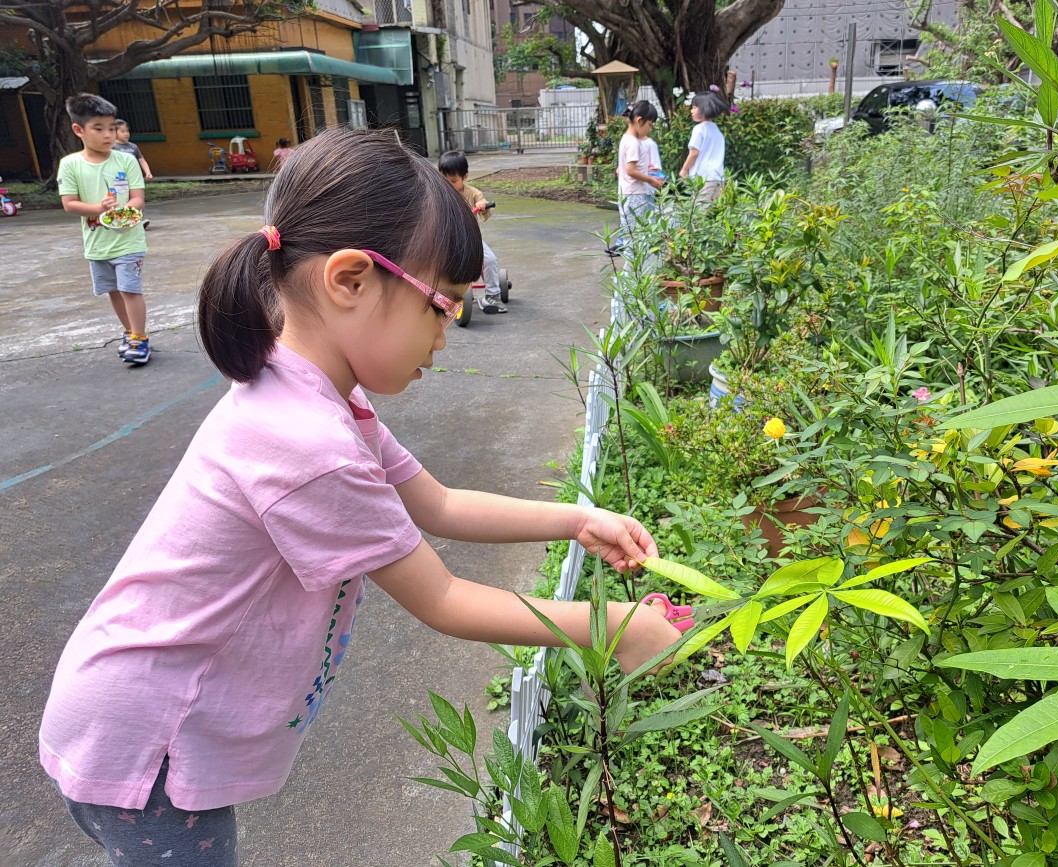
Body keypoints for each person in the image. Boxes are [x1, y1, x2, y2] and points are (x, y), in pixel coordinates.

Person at [39, 128, 681, 867]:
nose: (446, 336)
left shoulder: (319, 396)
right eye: (441, 307)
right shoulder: (308, 444)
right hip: (147, 741)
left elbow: (437, 504)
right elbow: (445, 600)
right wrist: (614, 628)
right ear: (350, 280)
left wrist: (579, 520)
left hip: (144, 713)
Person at [58, 94, 151, 364]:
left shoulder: (126, 160)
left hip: (129, 240)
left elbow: (137, 199)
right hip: (97, 243)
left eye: (111, 128)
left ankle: (140, 338)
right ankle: (129, 332)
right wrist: (100, 209)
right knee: (114, 290)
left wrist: (125, 213)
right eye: (98, 128)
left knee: (130, 289)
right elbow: (69, 204)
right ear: (79, 130)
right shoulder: (70, 164)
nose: (108, 135)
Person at [437, 149, 505, 314]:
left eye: (453, 181)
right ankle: (442, 294)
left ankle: (492, 295)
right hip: (448, 240)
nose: (448, 184)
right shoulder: (440, 194)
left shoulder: (473, 193)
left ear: (465, 177)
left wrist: (482, 205)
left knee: (489, 259)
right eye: (444, 180)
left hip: (471, 239)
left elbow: (483, 204)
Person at [615, 100, 664, 254]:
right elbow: (631, 170)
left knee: (632, 236)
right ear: (639, 120)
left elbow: (622, 169)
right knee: (635, 237)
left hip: (628, 192)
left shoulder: (626, 138)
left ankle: (631, 266)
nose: (650, 129)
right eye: (650, 125)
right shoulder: (633, 143)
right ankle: (631, 268)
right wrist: (651, 180)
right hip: (635, 194)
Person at [678, 90, 728, 205]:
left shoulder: (699, 129)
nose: (691, 111)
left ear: (704, 108)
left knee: (699, 211)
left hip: (703, 178)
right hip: (718, 177)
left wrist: (684, 170)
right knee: (715, 210)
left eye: (694, 107)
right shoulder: (716, 130)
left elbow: (694, 152)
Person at [113, 119, 153, 230]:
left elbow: (142, 160)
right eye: (122, 131)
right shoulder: (112, 147)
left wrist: (147, 172)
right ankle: (123, 219)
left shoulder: (133, 147)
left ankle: (140, 219)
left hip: (135, 177)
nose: (126, 134)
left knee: (138, 198)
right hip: (120, 178)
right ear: (114, 133)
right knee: (123, 199)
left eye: (127, 131)